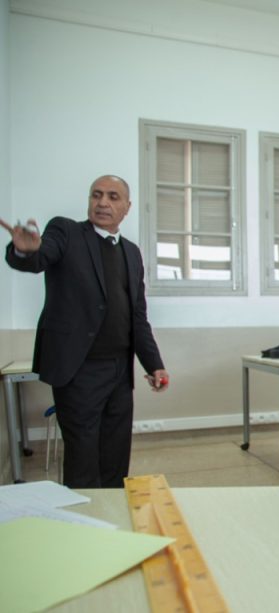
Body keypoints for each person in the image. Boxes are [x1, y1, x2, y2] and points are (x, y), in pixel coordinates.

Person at [2, 175, 169, 488]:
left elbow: (138, 317)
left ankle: (113, 511)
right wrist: (25, 252)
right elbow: (39, 256)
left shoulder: (132, 253)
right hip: (78, 370)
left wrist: (154, 364)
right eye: (96, 195)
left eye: (113, 197)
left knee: (116, 453)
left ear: (127, 207)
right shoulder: (65, 231)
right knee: (82, 456)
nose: (103, 202)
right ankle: (84, 515)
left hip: (120, 372)